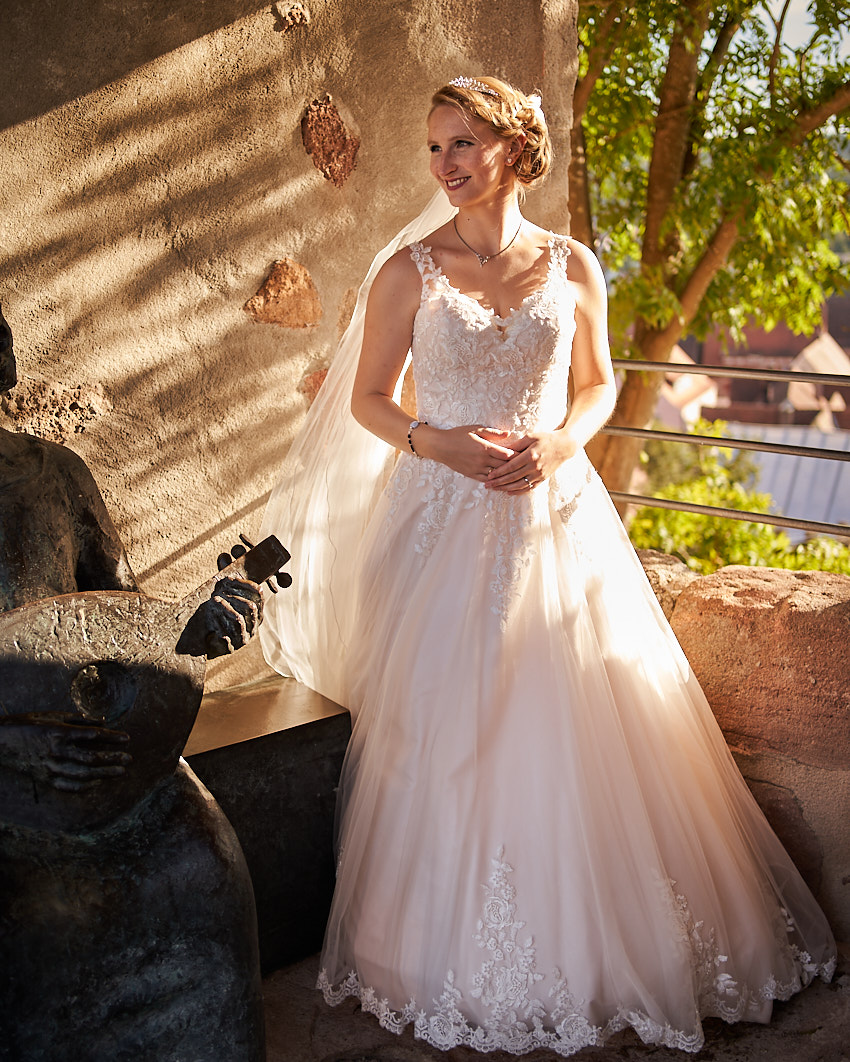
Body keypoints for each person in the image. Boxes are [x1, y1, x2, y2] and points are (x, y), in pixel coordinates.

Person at [259, 76, 836, 1055]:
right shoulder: (408, 270)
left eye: (463, 144)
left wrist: (562, 446)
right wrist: (431, 444)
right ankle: (436, 951)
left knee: (581, 715)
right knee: (449, 728)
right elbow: (365, 398)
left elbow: (598, 383)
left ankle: (611, 950)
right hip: (440, 517)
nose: (445, 164)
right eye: (435, 147)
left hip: (553, 515)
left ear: (513, 150)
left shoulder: (571, 265)